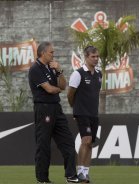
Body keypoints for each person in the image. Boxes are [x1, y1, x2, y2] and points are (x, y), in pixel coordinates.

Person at [28, 42, 80, 184]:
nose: (53, 54)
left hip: (56, 108)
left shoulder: (52, 67)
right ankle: (42, 179)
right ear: (42, 53)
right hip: (43, 108)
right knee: (43, 144)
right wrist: (58, 89)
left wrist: (60, 71)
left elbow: (63, 85)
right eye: (51, 52)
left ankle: (71, 176)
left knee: (68, 142)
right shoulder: (35, 69)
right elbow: (50, 89)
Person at [67, 46, 102, 183]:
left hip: (94, 114)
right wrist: (75, 108)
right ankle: (80, 172)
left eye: (97, 56)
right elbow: (70, 94)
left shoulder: (99, 74)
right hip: (82, 113)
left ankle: (86, 173)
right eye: (93, 57)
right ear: (86, 57)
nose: (96, 59)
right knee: (86, 140)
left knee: (90, 144)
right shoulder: (78, 74)